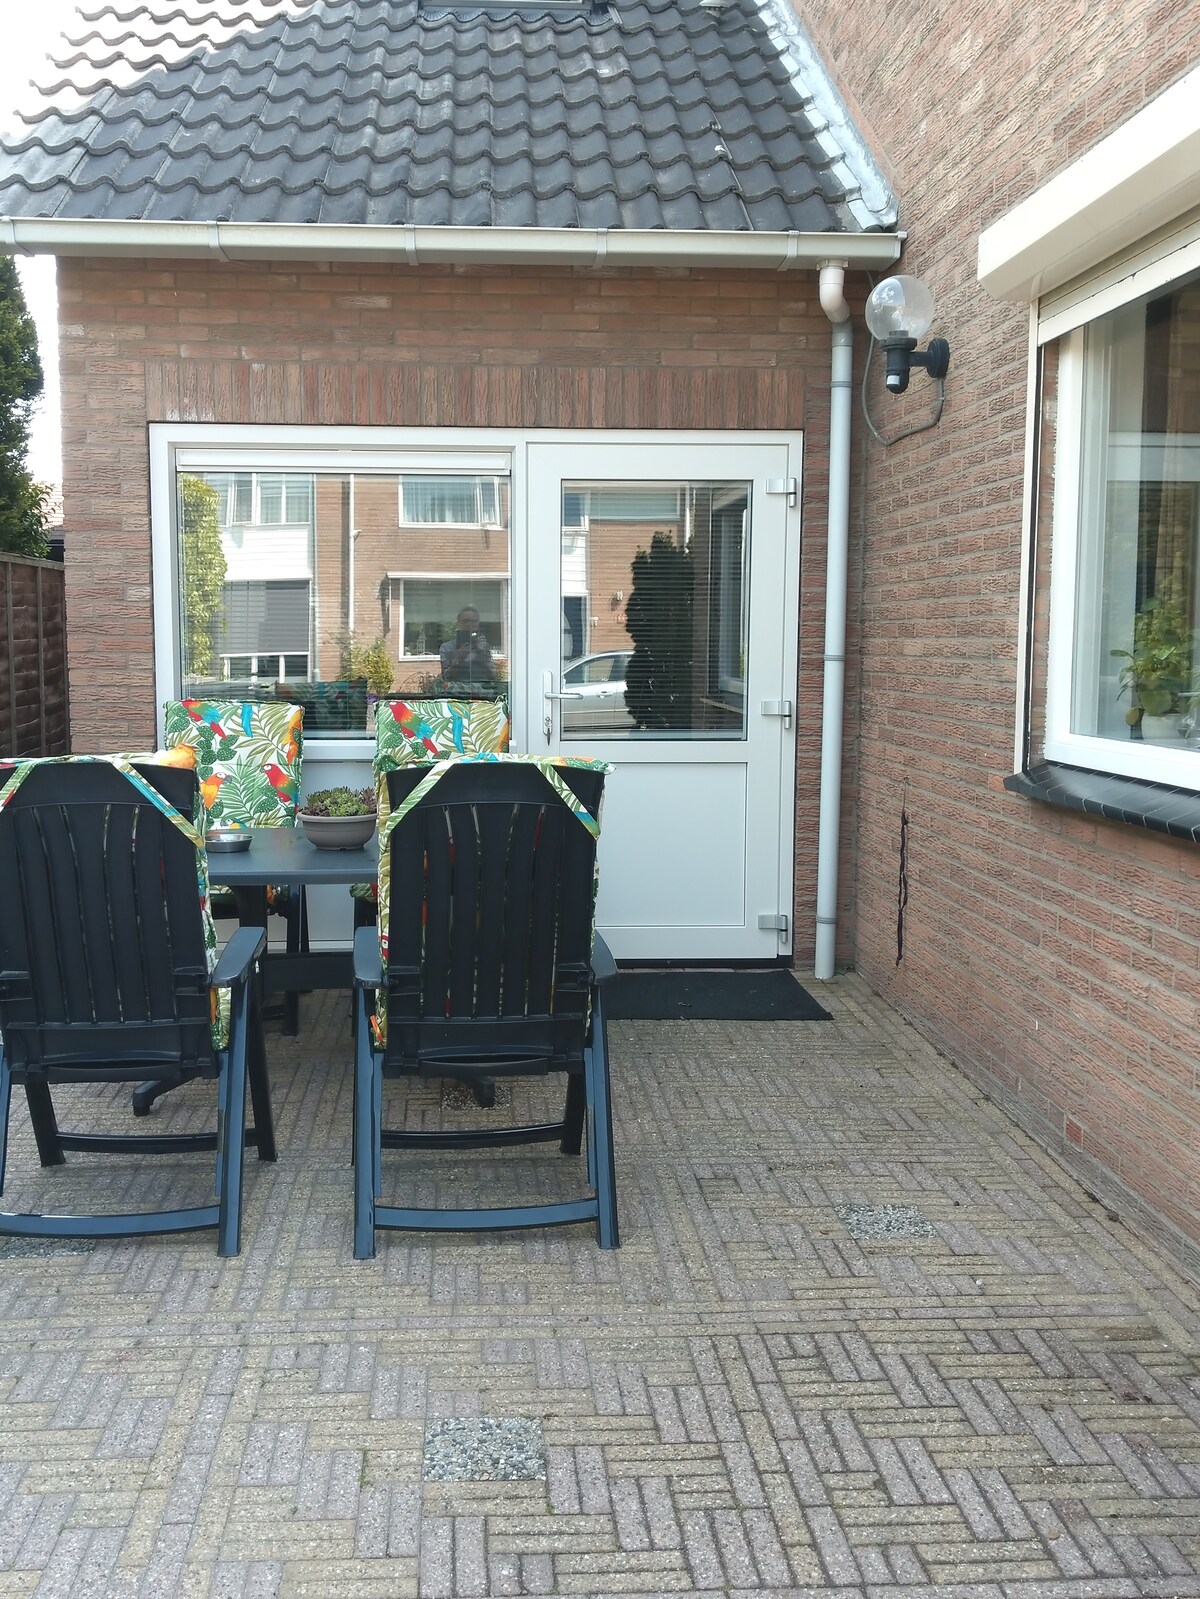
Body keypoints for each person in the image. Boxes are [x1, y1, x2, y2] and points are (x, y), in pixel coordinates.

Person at [439, 606, 495, 688]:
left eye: (474, 621)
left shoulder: (484, 647)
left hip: (481, 692)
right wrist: (458, 660)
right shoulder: (447, 648)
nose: (469, 624)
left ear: (478, 624)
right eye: (465, 621)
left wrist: (482, 660)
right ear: (458, 623)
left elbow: (493, 677)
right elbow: (446, 678)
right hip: (456, 693)